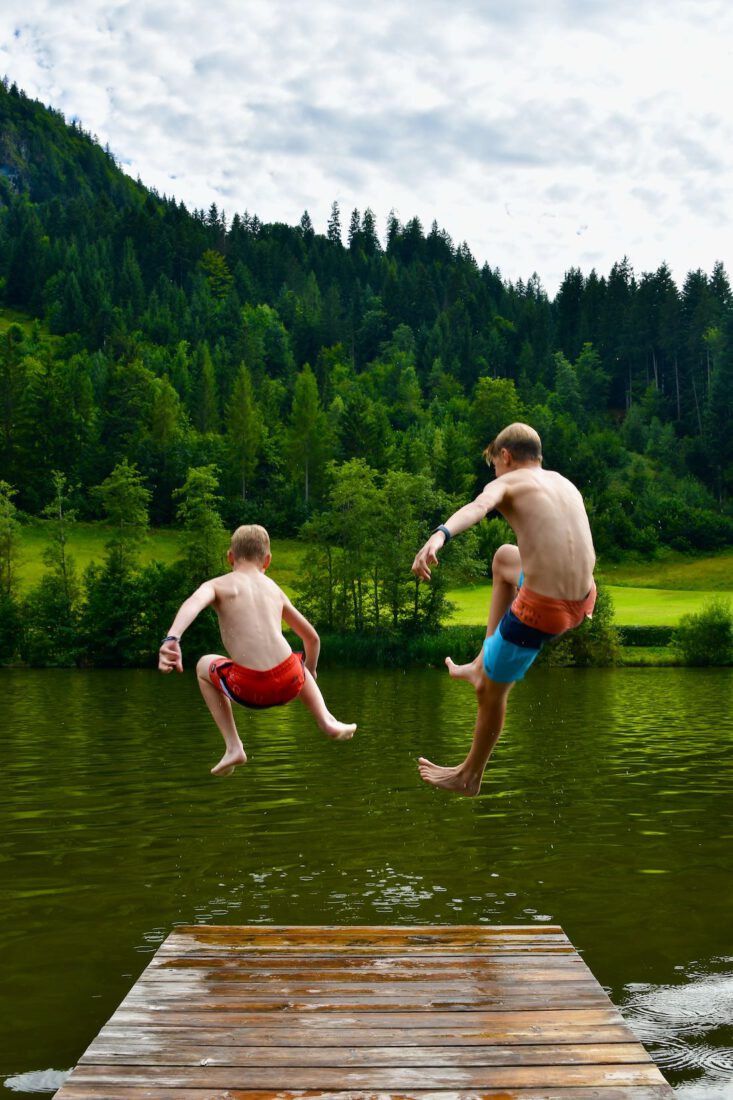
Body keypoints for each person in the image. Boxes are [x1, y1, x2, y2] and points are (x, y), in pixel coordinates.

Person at [411, 422, 596, 796]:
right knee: (504, 560)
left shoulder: (507, 483)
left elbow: (478, 509)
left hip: (543, 608)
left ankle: (469, 776)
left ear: (505, 456)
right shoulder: (564, 483)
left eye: (494, 464)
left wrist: (439, 534)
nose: (494, 474)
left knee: (490, 693)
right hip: (584, 599)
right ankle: (482, 660)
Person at [158, 523, 356, 777]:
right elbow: (313, 639)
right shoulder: (274, 589)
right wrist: (310, 672)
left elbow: (193, 603)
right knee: (298, 661)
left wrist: (173, 637)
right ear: (268, 560)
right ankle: (327, 720)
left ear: (230, 556)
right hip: (290, 680)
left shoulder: (218, 585)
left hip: (249, 687)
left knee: (202, 665)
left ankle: (233, 746)